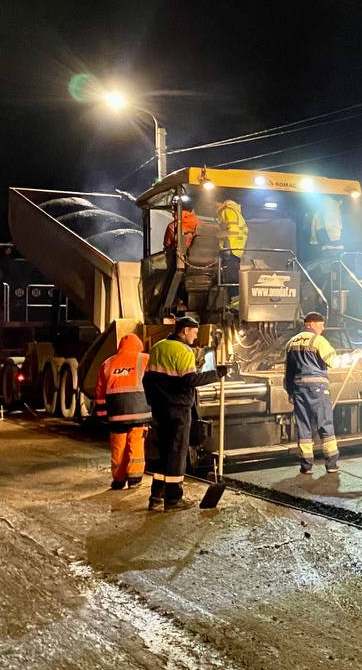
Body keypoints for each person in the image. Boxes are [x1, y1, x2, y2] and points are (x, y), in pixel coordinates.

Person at [143, 315, 223, 510]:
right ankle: (173, 500)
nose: (195, 338)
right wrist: (217, 374)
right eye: (194, 333)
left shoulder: (158, 347)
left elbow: (148, 379)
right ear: (185, 330)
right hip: (178, 410)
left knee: (163, 453)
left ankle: (156, 497)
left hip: (159, 409)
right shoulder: (184, 351)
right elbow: (190, 380)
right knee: (177, 453)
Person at [94, 333, 152, 490]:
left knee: (118, 447)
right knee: (136, 443)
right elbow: (154, 384)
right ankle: (134, 478)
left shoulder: (107, 363)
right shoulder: (144, 359)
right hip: (140, 412)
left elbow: (99, 392)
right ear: (138, 346)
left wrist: (102, 415)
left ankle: (118, 480)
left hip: (116, 413)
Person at [285, 312, 341, 474]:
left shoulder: (291, 343)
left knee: (303, 428)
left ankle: (306, 465)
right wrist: (352, 357)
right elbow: (333, 362)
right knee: (325, 425)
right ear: (311, 324)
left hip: (298, 390)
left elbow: (288, 372)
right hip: (318, 389)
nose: (322, 328)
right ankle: (331, 464)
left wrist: (290, 392)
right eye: (321, 324)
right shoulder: (318, 341)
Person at [216, 199, 247, 287]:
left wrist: (218, 236)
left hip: (231, 248)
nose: (212, 206)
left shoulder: (227, 210)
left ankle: (233, 298)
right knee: (232, 274)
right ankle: (233, 297)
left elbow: (230, 229)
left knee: (231, 277)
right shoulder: (234, 211)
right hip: (236, 247)